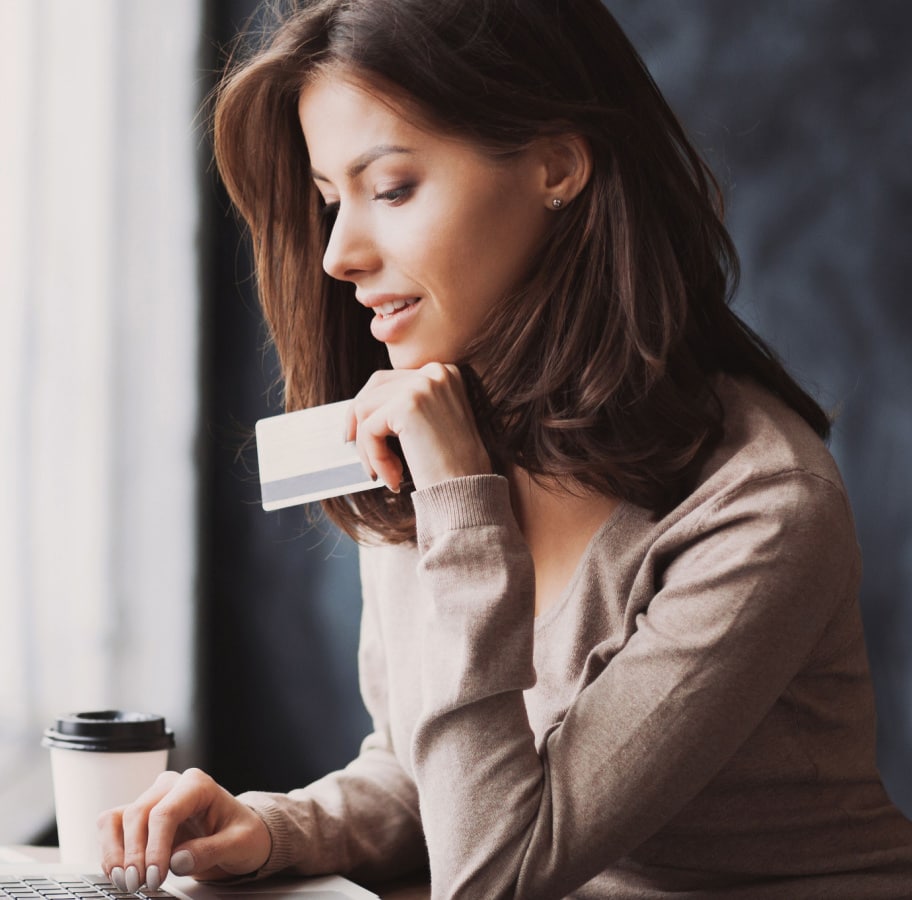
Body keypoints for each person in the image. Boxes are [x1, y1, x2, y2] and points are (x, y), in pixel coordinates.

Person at [97, 1, 912, 897]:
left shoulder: (761, 508)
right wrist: (277, 828)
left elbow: (493, 874)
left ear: (556, 165)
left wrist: (460, 507)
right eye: (331, 201)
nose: (337, 253)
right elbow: (435, 774)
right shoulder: (436, 426)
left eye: (394, 187)